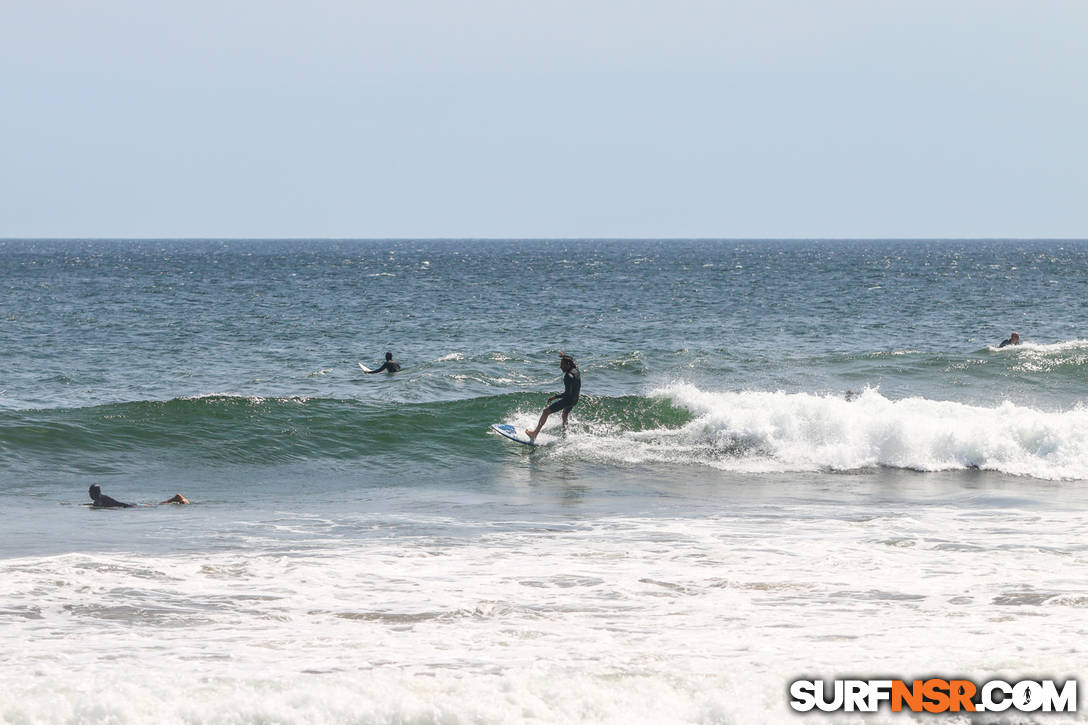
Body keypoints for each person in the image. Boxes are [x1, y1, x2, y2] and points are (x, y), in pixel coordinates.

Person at [525, 352, 581, 442]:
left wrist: (555, 397)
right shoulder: (576, 370)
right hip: (575, 399)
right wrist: (563, 356)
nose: (560, 367)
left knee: (545, 412)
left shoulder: (568, 376)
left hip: (569, 400)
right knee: (564, 415)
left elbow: (567, 394)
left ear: (568, 364)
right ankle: (564, 436)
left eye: (562, 365)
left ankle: (534, 434)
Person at [88, 484, 189, 507]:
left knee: (154, 506)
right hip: (128, 505)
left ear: (95, 492)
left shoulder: (101, 499)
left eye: (90, 492)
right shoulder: (100, 499)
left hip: (131, 506)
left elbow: (99, 505)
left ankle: (177, 498)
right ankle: (175, 499)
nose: (89, 494)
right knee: (155, 505)